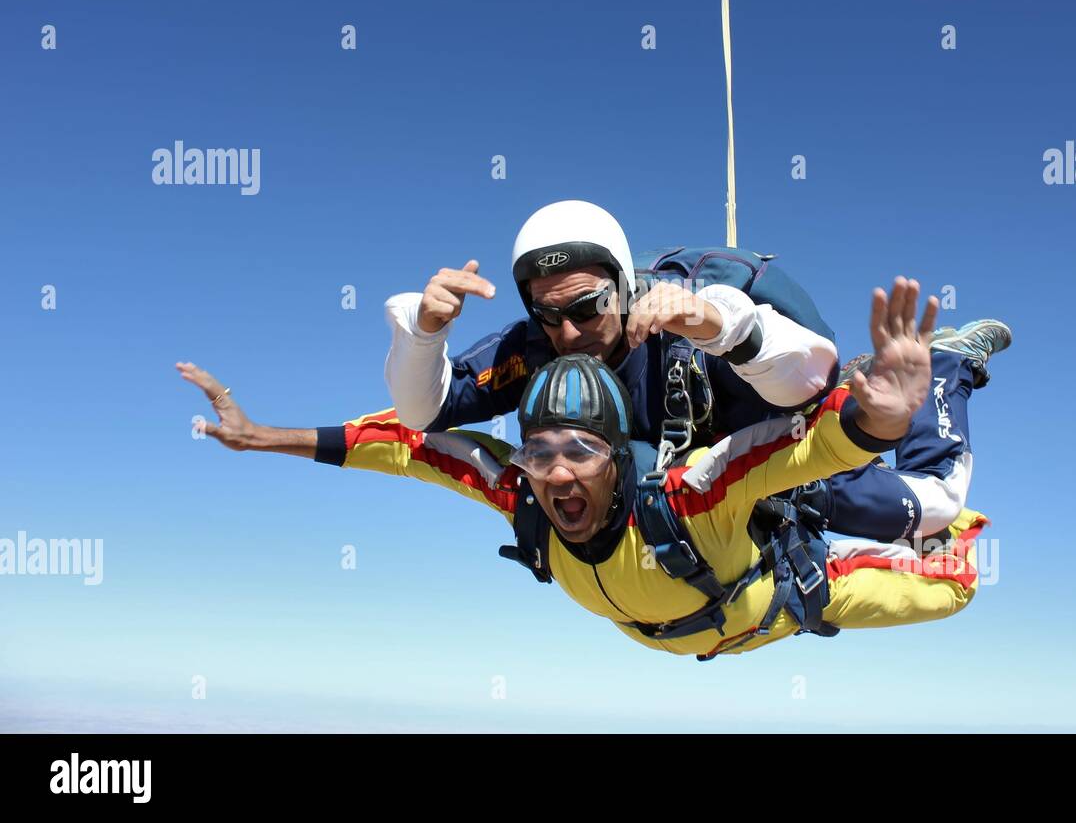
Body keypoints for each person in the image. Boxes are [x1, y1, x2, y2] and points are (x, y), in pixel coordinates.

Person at [179, 278, 987, 660]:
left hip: (790, 598)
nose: (557, 475)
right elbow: (403, 445)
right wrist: (261, 438)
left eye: (580, 452)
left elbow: (804, 448)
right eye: (539, 452)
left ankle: (945, 375)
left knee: (950, 555)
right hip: (693, 628)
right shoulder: (521, 495)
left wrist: (881, 412)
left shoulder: (691, 494)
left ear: (621, 458)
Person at [384, 199, 1010, 546]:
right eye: (547, 313)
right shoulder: (538, 345)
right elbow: (426, 413)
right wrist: (423, 333)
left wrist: (719, 326)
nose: (569, 333)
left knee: (932, 509)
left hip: (775, 456)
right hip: (689, 492)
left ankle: (947, 366)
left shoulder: (693, 324)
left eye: (586, 306)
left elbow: (809, 382)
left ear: (627, 287)